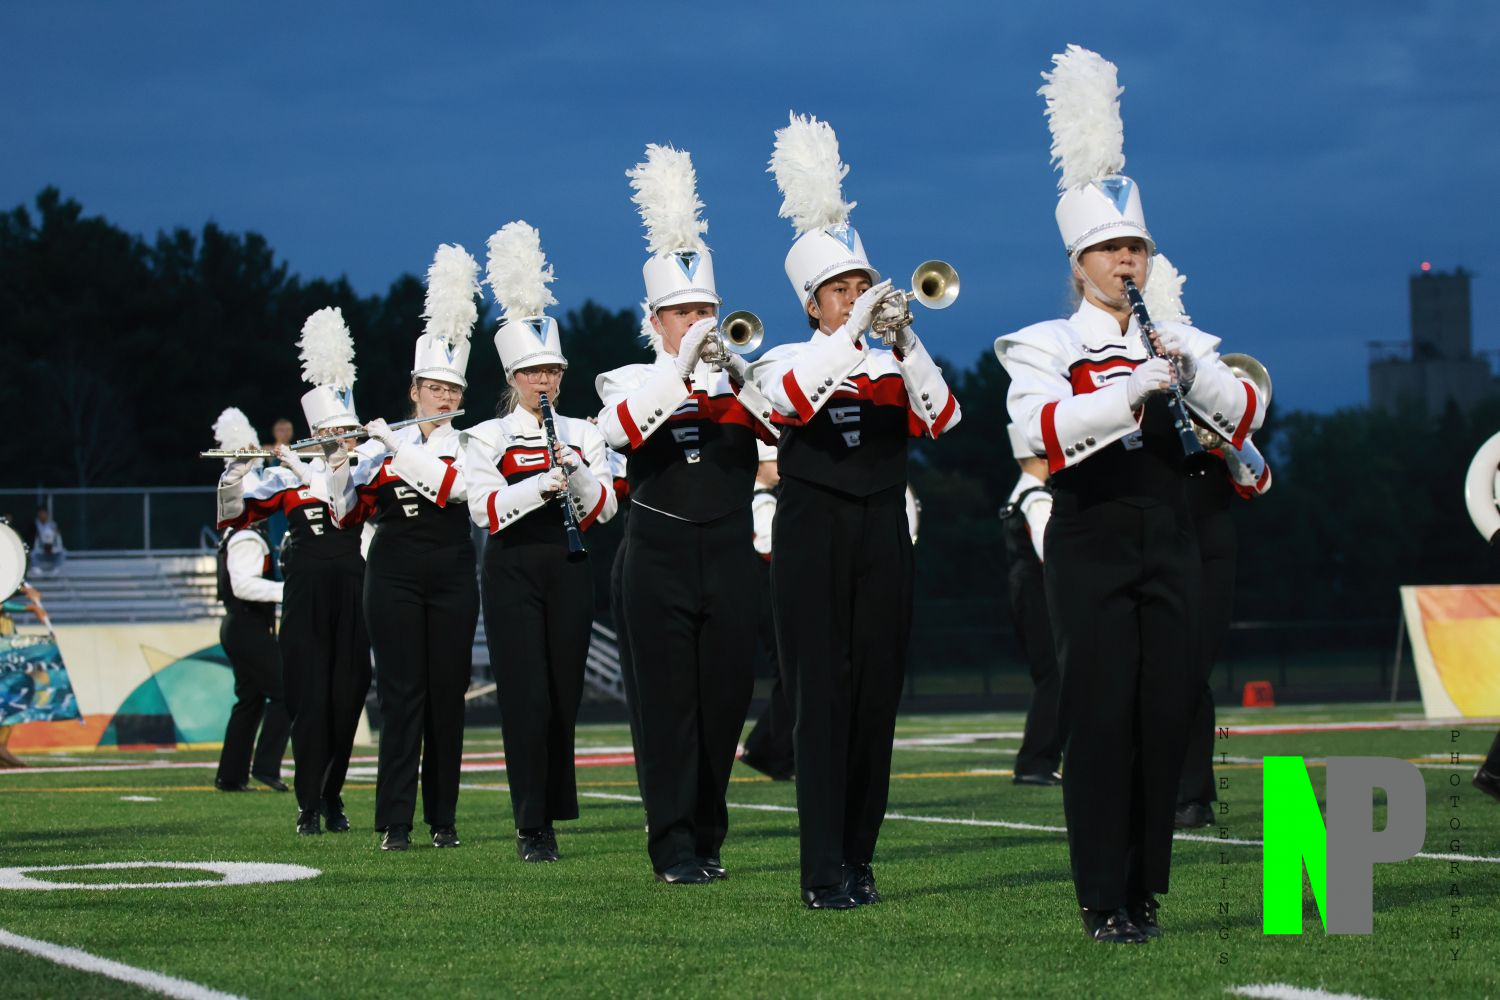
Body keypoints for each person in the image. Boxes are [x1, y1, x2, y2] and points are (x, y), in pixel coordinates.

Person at [994, 45, 1264, 943]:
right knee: (1103, 717)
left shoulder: (1182, 336)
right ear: (1079, 263)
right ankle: (1101, 895)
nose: (1126, 261)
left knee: (1166, 712)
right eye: (1110, 249)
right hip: (1091, 535)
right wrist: (1126, 393)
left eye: (1136, 247)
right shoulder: (1045, 342)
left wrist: (1192, 371)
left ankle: (1146, 888)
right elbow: (1038, 431)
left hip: (1169, 534)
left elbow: (1246, 414)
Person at [750, 113, 961, 909]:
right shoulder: (788, 357)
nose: (859, 298)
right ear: (814, 303)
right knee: (820, 702)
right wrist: (855, 334)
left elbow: (946, 418)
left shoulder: (891, 363)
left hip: (882, 530)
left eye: (862, 285)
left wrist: (906, 342)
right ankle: (821, 868)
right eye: (842, 289)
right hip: (812, 529)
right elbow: (791, 402)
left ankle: (859, 858)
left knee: (875, 700)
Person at [596, 144, 776, 885]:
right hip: (659, 555)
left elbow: (784, 428)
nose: (699, 322)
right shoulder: (629, 378)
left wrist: (734, 371)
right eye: (684, 313)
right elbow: (619, 432)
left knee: (724, 705)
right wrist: (680, 369)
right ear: (656, 319)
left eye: (706, 310)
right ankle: (671, 845)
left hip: (730, 552)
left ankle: (707, 837)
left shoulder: (743, 377)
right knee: (666, 708)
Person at [465, 221, 617, 862]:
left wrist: (574, 472)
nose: (544, 380)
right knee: (525, 695)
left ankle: (554, 804)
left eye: (552, 369)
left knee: (562, 695)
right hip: (512, 568)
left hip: (570, 563)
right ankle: (532, 823)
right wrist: (537, 486)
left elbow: (605, 508)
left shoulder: (585, 431)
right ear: (514, 377)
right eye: (533, 372)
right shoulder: (487, 436)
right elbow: (483, 509)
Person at [331, 243, 482, 852]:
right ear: (414, 389)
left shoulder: (470, 445)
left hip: (451, 572)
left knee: (447, 696)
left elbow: (454, 489)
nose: (444, 398)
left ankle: (443, 818)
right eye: (434, 387)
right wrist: (339, 463)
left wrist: (394, 447)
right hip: (391, 573)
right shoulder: (378, 447)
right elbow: (344, 512)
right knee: (401, 696)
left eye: (453, 389)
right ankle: (395, 821)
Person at [217, 308, 373, 835]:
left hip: (353, 590)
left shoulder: (368, 470)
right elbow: (234, 517)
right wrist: (235, 475)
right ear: (315, 432)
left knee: (348, 698)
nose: (340, 439)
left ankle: (333, 794)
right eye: (331, 432)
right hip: (304, 595)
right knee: (309, 701)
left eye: (346, 432)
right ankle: (308, 802)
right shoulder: (287, 480)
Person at [1138, 260, 1275, 830]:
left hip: (1211, 541)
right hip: (1153, 532)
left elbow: (1258, 480)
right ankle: (1153, 787)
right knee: (1152, 666)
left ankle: (1192, 794)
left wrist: (1228, 441)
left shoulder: (1214, 401)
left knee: (1192, 666)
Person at [210, 408, 291, 794]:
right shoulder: (245, 536)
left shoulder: (241, 534)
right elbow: (244, 585)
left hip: (241, 624)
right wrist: (288, 592)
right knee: (286, 692)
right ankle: (266, 766)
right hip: (246, 623)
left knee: (250, 699)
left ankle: (231, 776)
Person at [999, 424, 1063, 786]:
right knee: (1053, 676)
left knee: (1049, 676)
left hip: (1023, 593)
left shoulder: (1017, 494)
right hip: (1039, 595)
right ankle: (1036, 762)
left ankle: (1038, 759)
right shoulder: (1038, 499)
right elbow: (1050, 553)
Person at [739, 442, 794, 782]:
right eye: (773, 460)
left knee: (789, 676)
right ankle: (768, 750)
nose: (779, 466)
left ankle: (770, 749)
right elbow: (769, 549)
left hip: (762, 595)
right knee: (791, 675)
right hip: (769, 597)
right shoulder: (763, 502)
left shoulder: (756, 499)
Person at [30, 509, 64, 577]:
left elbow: (59, 545)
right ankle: (36, 568)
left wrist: (53, 550)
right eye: (41, 515)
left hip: (53, 551)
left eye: (44, 514)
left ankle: (57, 568)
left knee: (63, 552)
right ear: (38, 516)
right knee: (33, 553)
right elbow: (36, 546)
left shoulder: (53, 525)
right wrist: (43, 549)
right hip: (42, 550)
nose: (43, 516)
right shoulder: (34, 526)